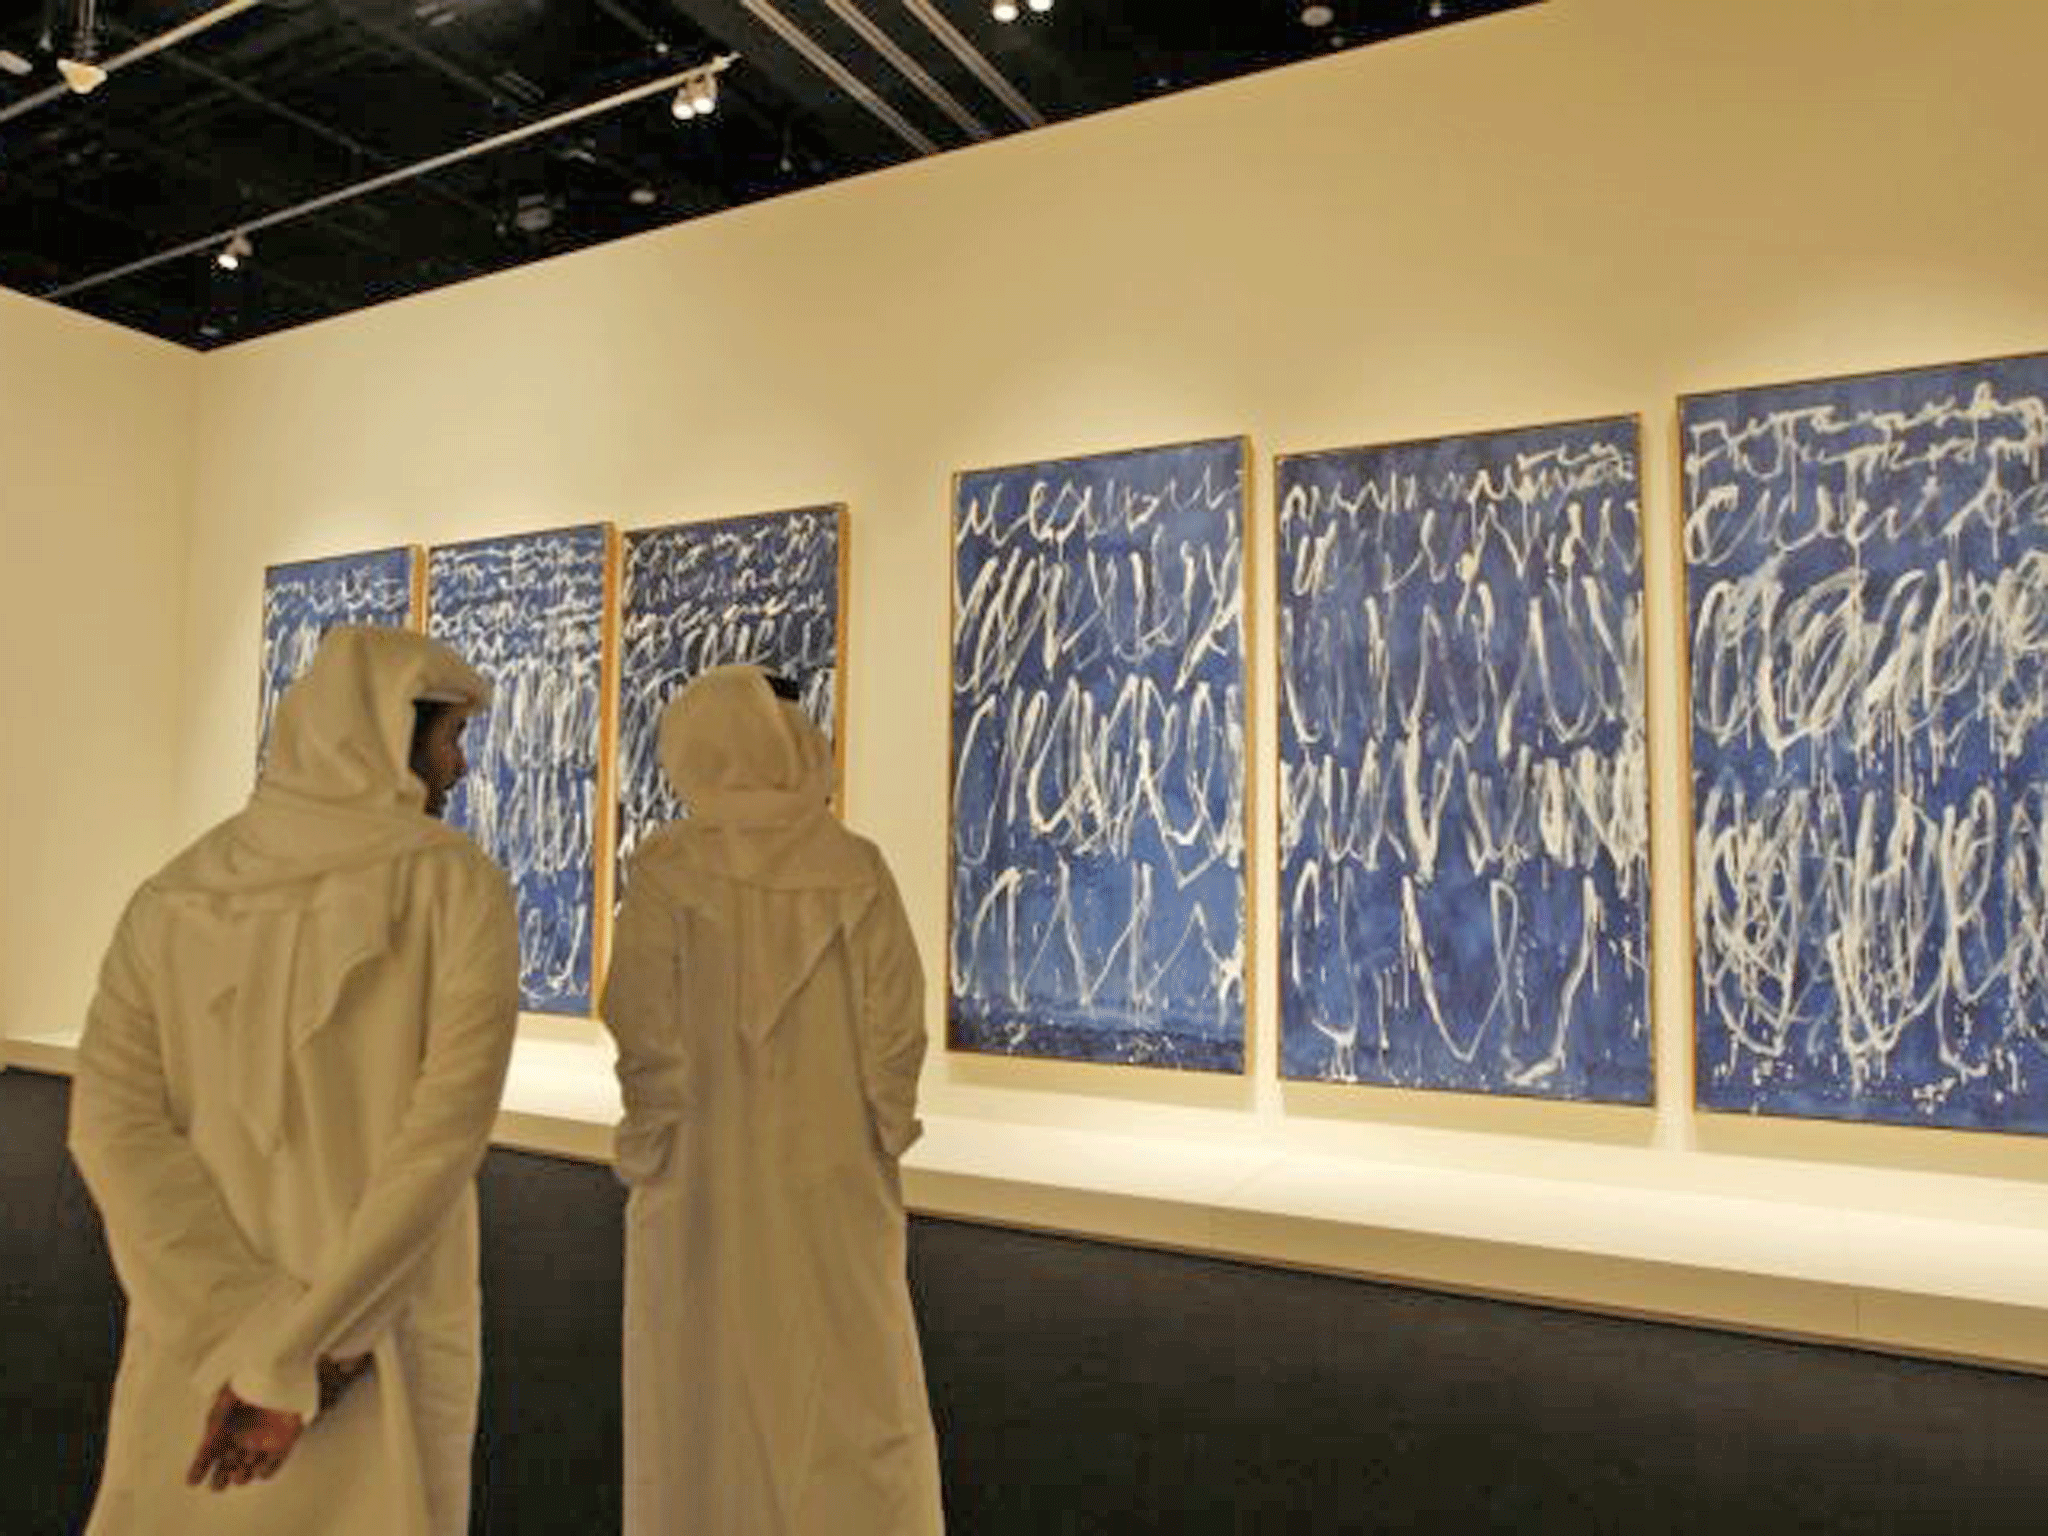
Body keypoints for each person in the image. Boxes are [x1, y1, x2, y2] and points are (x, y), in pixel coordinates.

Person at [68, 625, 520, 1535]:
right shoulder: (456, 888)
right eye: (447, 739)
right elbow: (439, 1147)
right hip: (372, 1345)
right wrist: (307, 1351)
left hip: (201, 1355)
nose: (459, 768)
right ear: (390, 735)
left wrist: (240, 1334)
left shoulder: (173, 895)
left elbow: (110, 1133)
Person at [602, 664, 944, 1535]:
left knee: (701, 1398)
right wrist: (880, 1129)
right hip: (831, 1179)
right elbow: (898, 1028)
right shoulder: (854, 867)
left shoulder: (667, 869)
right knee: (846, 1393)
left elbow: (639, 1022)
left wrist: (653, 1140)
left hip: (696, 1185)